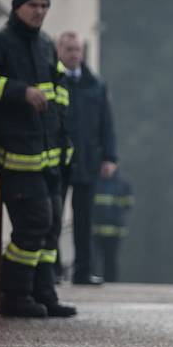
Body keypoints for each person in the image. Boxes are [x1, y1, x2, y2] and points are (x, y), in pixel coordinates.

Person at [0, 0, 76, 317]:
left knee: (51, 227)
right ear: (16, 7)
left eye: (44, 6)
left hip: (50, 156)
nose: (39, 12)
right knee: (34, 224)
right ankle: (14, 294)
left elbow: (57, 91)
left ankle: (44, 293)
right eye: (32, 5)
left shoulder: (45, 45)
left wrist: (64, 139)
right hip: (16, 157)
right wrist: (17, 90)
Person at [57, 31, 118, 286]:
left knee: (84, 219)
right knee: (52, 217)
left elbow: (107, 122)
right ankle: (52, 270)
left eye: (78, 50)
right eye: (69, 49)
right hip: (57, 160)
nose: (75, 55)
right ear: (59, 51)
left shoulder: (96, 84)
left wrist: (110, 156)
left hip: (88, 160)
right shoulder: (52, 81)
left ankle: (83, 271)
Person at [92, 170, 133, 282]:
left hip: (115, 231)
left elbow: (128, 206)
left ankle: (111, 283)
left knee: (111, 260)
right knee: (93, 259)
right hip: (96, 230)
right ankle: (92, 279)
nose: (106, 167)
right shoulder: (95, 182)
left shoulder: (123, 184)